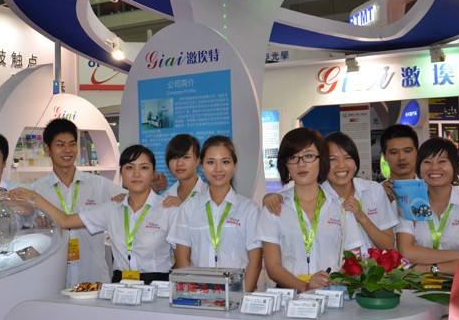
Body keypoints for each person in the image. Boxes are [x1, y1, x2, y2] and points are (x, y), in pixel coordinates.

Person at [10, 145, 177, 284]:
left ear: (153, 173)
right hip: (120, 287)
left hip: (157, 286)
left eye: (144, 168)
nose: (136, 174)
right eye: (129, 168)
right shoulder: (112, 208)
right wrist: (34, 196)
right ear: (122, 173)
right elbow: (65, 221)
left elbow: (182, 261)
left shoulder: (168, 209)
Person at [256, 128, 363, 293]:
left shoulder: (340, 207)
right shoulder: (274, 208)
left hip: (332, 294)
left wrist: (329, 282)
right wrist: (305, 287)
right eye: (293, 157)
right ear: (286, 164)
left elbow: (354, 259)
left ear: (322, 160)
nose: (301, 164)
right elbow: (273, 267)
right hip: (290, 298)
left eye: (308, 156)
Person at [30, 118, 127, 287]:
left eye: (72, 144)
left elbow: (132, 200)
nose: (68, 150)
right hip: (54, 281)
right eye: (60, 145)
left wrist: (127, 196)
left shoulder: (99, 185)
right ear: (47, 148)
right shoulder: (36, 191)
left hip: (93, 278)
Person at [167, 136, 262, 292]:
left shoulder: (249, 209)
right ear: (202, 166)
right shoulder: (188, 208)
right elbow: (183, 261)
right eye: (211, 162)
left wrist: (243, 297)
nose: (218, 169)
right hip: (199, 294)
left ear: (234, 165)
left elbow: (255, 262)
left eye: (225, 162)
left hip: (237, 293)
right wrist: (194, 295)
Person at [396, 137, 459, 274]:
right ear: (419, 167)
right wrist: (458, 255)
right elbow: (407, 252)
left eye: (442, 161)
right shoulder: (409, 203)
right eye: (427, 162)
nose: (434, 167)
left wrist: (427, 269)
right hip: (417, 285)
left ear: (454, 166)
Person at [160, 134, 206, 207]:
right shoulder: (164, 198)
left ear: (198, 160)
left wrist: (184, 206)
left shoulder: (209, 193)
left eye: (186, 157)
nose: (179, 163)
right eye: (174, 158)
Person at [380, 124, 419, 202]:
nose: (401, 157)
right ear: (384, 156)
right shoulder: (375, 192)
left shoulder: (431, 191)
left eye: (407, 151)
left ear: (417, 152)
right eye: (394, 152)